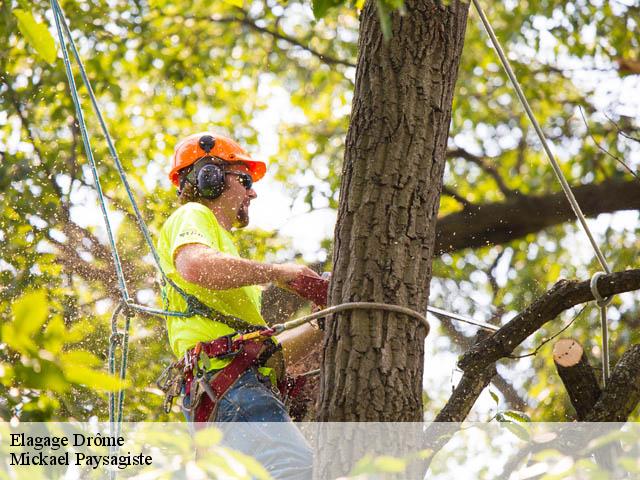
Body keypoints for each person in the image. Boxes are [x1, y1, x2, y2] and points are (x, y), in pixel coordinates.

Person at [156, 132, 322, 479]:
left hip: (235, 388)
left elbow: (264, 354)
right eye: (244, 179)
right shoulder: (193, 215)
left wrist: (322, 322)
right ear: (210, 178)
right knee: (295, 468)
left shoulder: (226, 253)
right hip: (230, 388)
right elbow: (196, 265)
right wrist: (280, 274)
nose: (252, 191)